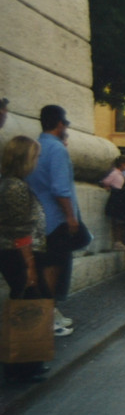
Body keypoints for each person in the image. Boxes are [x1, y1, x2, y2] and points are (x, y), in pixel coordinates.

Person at [0, 136, 57, 383]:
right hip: (18, 253)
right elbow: (19, 230)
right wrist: (30, 266)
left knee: (29, 303)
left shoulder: (12, 183)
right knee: (28, 305)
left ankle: (27, 363)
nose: (37, 162)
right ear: (24, 159)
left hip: (17, 252)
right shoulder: (14, 186)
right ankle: (20, 367)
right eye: (35, 157)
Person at [26, 105, 85, 335]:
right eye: (66, 123)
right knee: (53, 268)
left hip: (35, 218)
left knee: (40, 267)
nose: (66, 127)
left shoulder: (34, 147)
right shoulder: (57, 150)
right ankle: (47, 319)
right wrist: (70, 217)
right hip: (55, 219)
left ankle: (45, 316)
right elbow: (61, 189)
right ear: (59, 124)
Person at [100, 155, 125, 252]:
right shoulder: (115, 173)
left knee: (121, 222)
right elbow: (105, 181)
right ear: (122, 164)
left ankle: (120, 241)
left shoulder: (120, 173)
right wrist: (107, 186)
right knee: (119, 222)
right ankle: (118, 242)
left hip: (121, 197)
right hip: (117, 198)